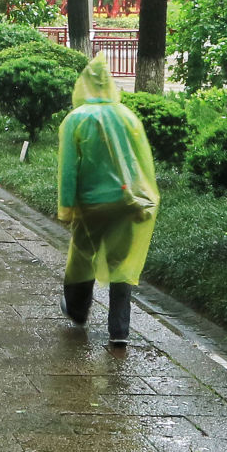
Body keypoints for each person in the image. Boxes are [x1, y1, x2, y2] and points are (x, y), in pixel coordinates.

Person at [54, 56, 160, 344]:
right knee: (120, 264)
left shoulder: (76, 119)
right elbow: (138, 162)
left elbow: (69, 169)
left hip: (91, 205)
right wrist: (143, 198)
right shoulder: (127, 117)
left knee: (81, 258)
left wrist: (67, 207)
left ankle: (77, 310)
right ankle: (120, 330)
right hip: (127, 203)